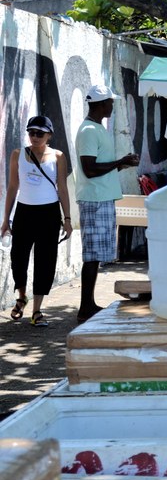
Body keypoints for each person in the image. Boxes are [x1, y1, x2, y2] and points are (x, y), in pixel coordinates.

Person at [75, 85, 140, 324]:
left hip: (102, 198)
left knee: (96, 255)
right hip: (94, 199)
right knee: (91, 256)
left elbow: (102, 165)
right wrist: (120, 161)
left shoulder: (98, 129)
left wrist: (123, 164)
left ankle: (88, 304)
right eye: (111, 102)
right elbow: (90, 169)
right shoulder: (89, 131)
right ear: (102, 104)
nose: (112, 105)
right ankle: (85, 307)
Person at [1, 116, 72, 327]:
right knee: (18, 258)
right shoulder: (18, 155)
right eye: (31, 132)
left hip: (49, 214)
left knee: (45, 260)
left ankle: (37, 310)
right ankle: (21, 297)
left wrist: (67, 219)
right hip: (24, 213)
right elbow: (13, 187)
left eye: (39, 133)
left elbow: (63, 189)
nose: (34, 137)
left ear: (49, 135)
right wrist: (6, 219)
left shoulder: (58, 156)